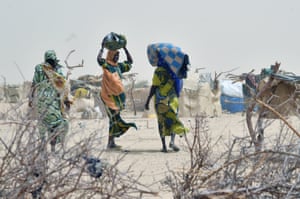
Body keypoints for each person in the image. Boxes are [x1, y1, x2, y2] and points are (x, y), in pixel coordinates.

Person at [145, 46, 190, 152]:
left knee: (161, 121)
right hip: (172, 98)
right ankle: (172, 142)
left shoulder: (158, 71)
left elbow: (154, 86)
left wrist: (148, 100)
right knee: (173, 118)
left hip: (160, 99)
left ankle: (164, 146)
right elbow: (179, 83)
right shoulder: (174, 69)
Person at [29, 50, 71, 153]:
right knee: (57, 124)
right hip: (52, 101)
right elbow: (63, 86)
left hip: (41, 101)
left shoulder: (39, 68)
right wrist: (66, 100)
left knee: (43, 123)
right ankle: (53, 147)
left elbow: (34, 84)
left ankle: (43, 146)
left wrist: (30, 99)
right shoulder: (57, 70)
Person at [97, 46, 137, 149]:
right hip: (108, 97)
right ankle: (110, 142)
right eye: (115, 55)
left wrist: (125, 49)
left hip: (117, 99)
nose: (117, 57)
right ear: (110, 55)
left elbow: (130, 62)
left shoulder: (119, 67)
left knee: (114, 119)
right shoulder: (106, 65)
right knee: (113, 118)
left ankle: (111, 142)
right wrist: (102, 49)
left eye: (118, 56)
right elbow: (99, 60)